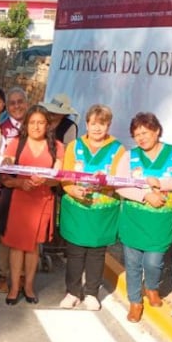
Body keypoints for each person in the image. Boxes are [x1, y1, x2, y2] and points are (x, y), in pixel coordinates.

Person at [115, 112, 172, 323]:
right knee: (132, 263)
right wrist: (144, 195)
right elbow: (120, 184)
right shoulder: (129, 157)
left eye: (145, 132)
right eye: (136, 134)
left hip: (161, 221)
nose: (141, 137)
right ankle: (135, 302)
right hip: (134, 219)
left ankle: (152, 287)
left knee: (153, 262)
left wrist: (161, 184)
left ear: (156, 131)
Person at [59, 104, 125, 311]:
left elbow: (118, 178)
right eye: (93, 123)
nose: (97, 128)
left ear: (109, 125)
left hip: (101, 211)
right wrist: (72, 190)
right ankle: (72, 291)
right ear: (86, 124)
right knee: (75, 252)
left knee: (97, 253)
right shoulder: (74, 146)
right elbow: (65, 175)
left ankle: (92, 293)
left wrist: (104, 183)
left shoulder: (118, 149)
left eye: (102, 124)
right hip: (77, 208)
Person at [0, 105, 63, 305]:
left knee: (34, 247)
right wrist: (20, 182)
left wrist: (45, 180)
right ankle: (14, 287)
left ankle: (28, 286)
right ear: (26, 124)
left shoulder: (57, 147)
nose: (36, 127)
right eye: (32, 122)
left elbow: (59, 178)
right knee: (17, 247)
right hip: (19, 199)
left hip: (42, 200)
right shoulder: (15, 144)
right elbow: (4, 175)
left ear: (48, 125)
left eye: (41, 122)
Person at [0, 87, 29, 291]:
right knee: (4, 231)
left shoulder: (35, 123)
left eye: (20, 102)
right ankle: (3, 273)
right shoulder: (0, 127)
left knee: (28, 231)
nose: (17, 106)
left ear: (26, 103)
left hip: (31, 187)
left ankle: (23, 274)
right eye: (12, 103)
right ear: (7, 107)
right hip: (7, 185)